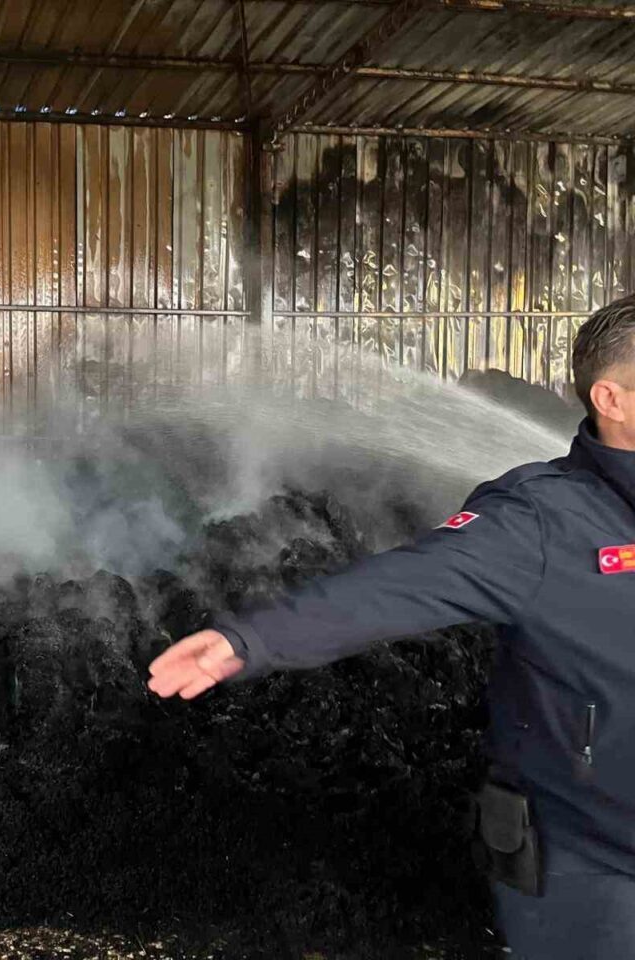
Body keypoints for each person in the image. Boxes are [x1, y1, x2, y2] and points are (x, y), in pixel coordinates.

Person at [148, 296, 635, 959]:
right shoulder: (539, 520)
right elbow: (400, 585)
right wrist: (252, 640)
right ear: (611, 399)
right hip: (591, 863)